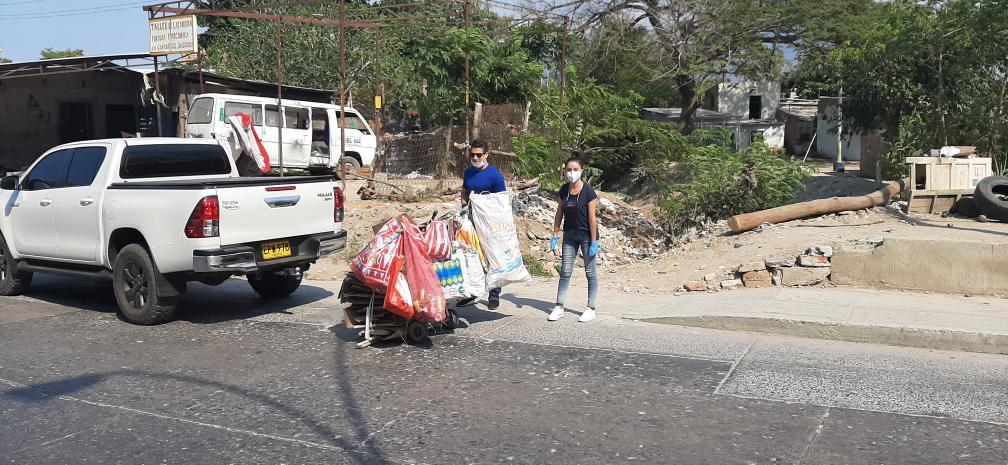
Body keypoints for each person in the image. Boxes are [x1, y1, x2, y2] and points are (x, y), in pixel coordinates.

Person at [548, 156, 599, 322]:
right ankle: (559, 306)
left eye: (575, 169)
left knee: (590, 272)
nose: (572, 173)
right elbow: (559, 213)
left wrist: (594, 241)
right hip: (569, 235)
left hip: (586, 235)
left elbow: (592, 218)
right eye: (569, 170)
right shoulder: (564, 190)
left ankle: (591, 308)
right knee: (565, 271)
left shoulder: (588, 191)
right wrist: (555, 234)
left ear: (581, 171)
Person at [458, 139, 506, 310]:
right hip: (471, 220)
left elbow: (502, 202)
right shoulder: (468, 173)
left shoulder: (495, 177)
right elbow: (464, 190)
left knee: (492, 257)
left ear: (486, 155)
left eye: (479, 155)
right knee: (471, 255)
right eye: (473, 155)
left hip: (490, 221)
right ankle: (471, 291)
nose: (476, 158)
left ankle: (494, 293)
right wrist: (462, 207)